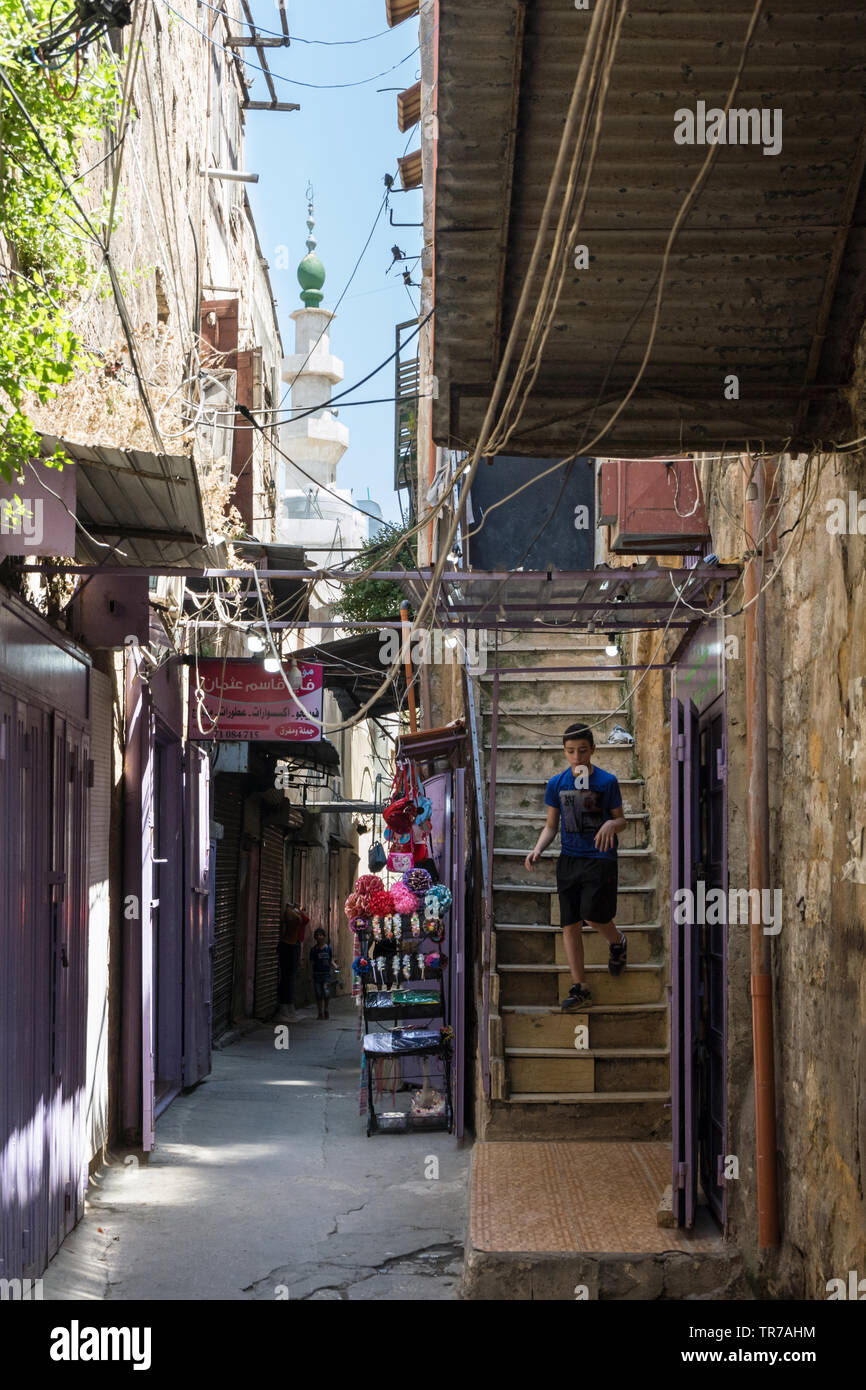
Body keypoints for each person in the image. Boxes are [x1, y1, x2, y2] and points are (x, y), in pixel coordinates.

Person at [525, 722, 629, 1011]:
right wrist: (537, 849)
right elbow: (551, 826)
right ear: (564, 752)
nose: (577, 757)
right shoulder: (557, 784)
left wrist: (611, 823)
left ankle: (617, 941)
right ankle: (580, 987)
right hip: (569, 860)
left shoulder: (607, 782)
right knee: (569, 925)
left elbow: (621, 821)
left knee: (593, 916)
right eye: (571, 751)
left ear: (593, 750)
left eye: (583, 750)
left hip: (600, 858)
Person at [276, 901, 308, 1022]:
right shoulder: (292, 918)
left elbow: (304, 919)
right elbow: (300, 919)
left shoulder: (295, 919)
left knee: (290, 978)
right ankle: (284, 1007)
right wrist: (293, 909)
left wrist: (293, 908)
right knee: (287, 978)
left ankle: (288, 1007)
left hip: (292, 946)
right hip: (289, 947)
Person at [309, 929, 334, 1020]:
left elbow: (330, 959)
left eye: (321, 935)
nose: (319, 937)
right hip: (317, 975)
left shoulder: (328, 949)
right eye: (318, 935)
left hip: (326, 975)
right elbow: (311, 963)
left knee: (326, 993)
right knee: (318, 994)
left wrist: (335, 966)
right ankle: (320, 1012)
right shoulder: (314, 950)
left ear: (324, 936)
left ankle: (326, 1009)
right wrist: (310, 975)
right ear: (315, 937)